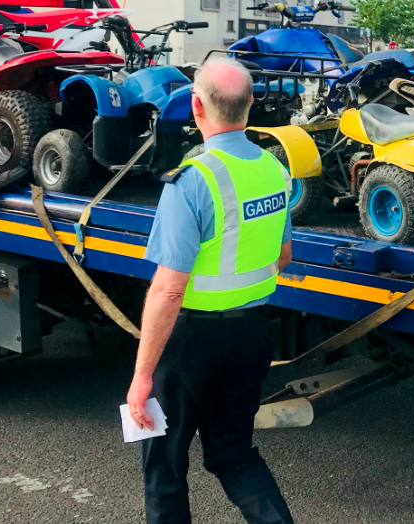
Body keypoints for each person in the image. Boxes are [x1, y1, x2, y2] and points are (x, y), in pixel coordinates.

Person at [125, 57, 295, 524]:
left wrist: (142, 376)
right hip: (251, 335)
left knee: (164, 466)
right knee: (233, 455)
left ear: (195, 106)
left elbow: (168, 291)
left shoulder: (192, 179)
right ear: (250, 104)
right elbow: (283, 256)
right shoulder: (273, 169)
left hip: (188, 345)